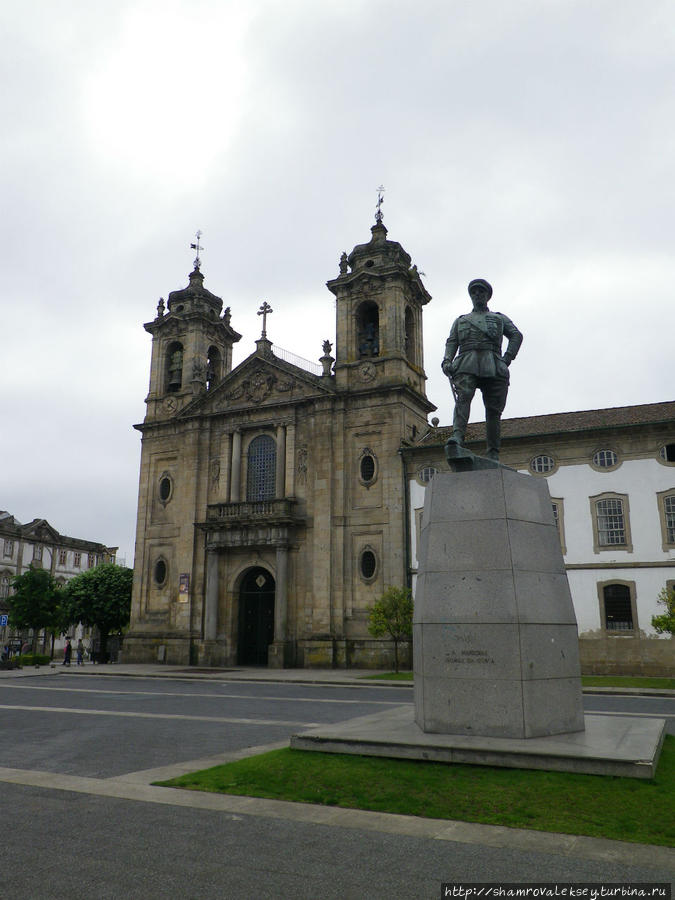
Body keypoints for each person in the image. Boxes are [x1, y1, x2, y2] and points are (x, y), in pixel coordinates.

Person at [442, 278, 522, 461]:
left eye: (481, 292)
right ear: (471, 296)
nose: (478, 294)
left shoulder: (498, 318)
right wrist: (447, 360)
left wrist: (507, 358)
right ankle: (457, 437)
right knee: (463, 398)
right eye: (474, 292)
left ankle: (493, 450)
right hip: (467, 362)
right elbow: (452, 342)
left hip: (492, 362)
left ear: (487, 296)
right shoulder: (461, 320)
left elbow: (516, 335)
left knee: (493, 410)